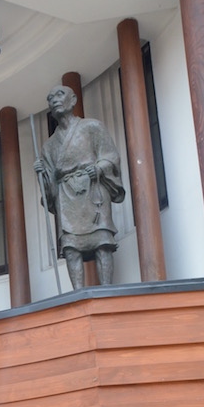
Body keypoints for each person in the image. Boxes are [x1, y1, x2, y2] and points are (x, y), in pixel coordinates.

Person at [34, 84, 125, 290]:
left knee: (102, 241)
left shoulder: (93, 127)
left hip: (93, 189)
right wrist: (42, 173)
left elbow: (110, 155)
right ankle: (77, 292)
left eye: (59, 94)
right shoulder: (48, 146)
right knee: (71, 246)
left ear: (73, 100)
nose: (54, 100)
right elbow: (49, 185)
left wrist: (100, 168)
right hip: (66, 194)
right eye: (50, 98)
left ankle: (107, 289)